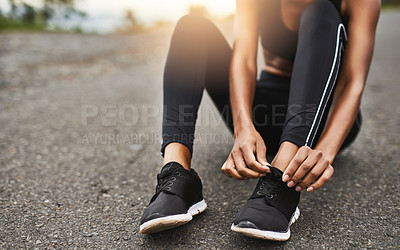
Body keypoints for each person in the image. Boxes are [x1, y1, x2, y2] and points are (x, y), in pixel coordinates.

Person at [139, 0, 380, 241]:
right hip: (266, 116)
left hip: (326, 122)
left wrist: (326, 150)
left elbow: (352, 82)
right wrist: (243, 128)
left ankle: (282, 177)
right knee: (191, 27)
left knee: (322, 9)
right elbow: (243, 60)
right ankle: (177, 173)